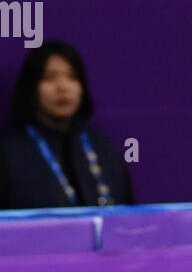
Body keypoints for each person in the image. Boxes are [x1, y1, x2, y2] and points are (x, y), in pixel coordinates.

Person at [0, 41, 133, 209]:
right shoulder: (9, 152)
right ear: (32, 88)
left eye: (72, 77)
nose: (62, 87)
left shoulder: (101, 146)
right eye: (49, 78)